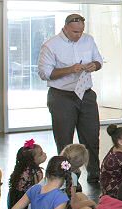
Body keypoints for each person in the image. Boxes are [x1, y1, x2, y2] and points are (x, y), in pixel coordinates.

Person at [37, 13, 103, 183]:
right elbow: (45, 74)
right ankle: (69, 176)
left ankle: (94, 174)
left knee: (91, 136)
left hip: (86, 94)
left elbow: (99, 61)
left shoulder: (88, 40)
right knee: (64, 139)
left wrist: (93, 65)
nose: (78, 35)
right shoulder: (51, 45)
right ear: (65, 28)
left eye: (81, 31)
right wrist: (69, 69)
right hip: (61, 96)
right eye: (74, 32)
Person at [7, 139, 47, 209]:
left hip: (14, 202)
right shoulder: (36, 172)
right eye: (41, 154)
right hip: (25, 206)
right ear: (32, 160)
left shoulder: (20, 169)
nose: (44, 154)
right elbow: (38, 191)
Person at [60, 143, 98, 209]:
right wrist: (91, 202)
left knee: (81, 196)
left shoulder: (56, 167)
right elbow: (72, 206)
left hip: (47, 208)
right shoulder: (72, 177)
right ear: (81, 163)